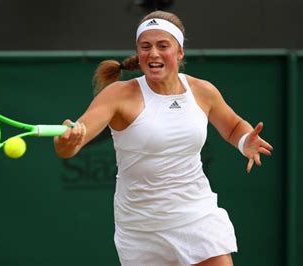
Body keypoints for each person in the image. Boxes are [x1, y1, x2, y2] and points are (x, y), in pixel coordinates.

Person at [54, 10, 273, 266]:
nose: (153, 53)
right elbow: (74, 141)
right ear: (138, 52)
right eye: (145, 46)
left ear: (179, 52)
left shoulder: (203, 91)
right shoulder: (119, 94)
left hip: (196, 215)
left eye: (163, 46)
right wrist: (67, 141)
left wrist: (245, 140)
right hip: (141, 228)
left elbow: (234, 126)